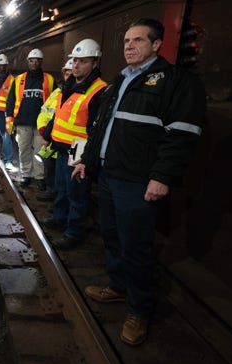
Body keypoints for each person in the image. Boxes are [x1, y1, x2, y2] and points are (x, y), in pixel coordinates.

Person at [72, 19, 205, 346]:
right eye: (127, 41)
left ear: (157, 44)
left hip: (137, 181)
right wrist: (87, 160)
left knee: (136, 246)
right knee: (112, 237)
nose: (129, 46)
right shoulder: (121, 80)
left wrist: (161, 177)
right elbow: (101, 127)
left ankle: (139, 310)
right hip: (109, 175)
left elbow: (182, 134)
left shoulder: (176, 81)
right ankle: (118, 287)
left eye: (138, 40)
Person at [44, 40, 107, 250]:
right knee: (62, 188)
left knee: (77, 194)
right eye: (75, 60)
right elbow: (60, 113)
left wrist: (86, 156)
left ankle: (74, 232)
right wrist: (50, 134)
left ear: (95, 63)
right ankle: (59, 218)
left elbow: (96, 129)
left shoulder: (99, 90)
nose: (77, 65)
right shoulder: (70, 84)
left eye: (83, 61)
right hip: (62, 147)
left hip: (79, 149)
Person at [5, 48, 55, 188]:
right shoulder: (19, 80)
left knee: (39, 151)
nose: (35, 63)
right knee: (24, 150)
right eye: (32, 61)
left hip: (41, 124)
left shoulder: (49, 79)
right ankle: (26, 174)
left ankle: (39, 176)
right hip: (22, 121)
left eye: (37, 61)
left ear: (41, 62)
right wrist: (10, 119)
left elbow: (55, 100)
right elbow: (11, 100)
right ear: (28, 62)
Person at [36, 58, 73, 201]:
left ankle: (60, 200)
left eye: (71, 74)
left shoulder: (78, 95)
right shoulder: (57, 93)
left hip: (66, 144)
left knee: (64, 177)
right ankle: (52, 194)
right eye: (67, 74)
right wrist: (42, 128)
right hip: (51, 140)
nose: (69, 77)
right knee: (50, 169)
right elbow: (44, 111)